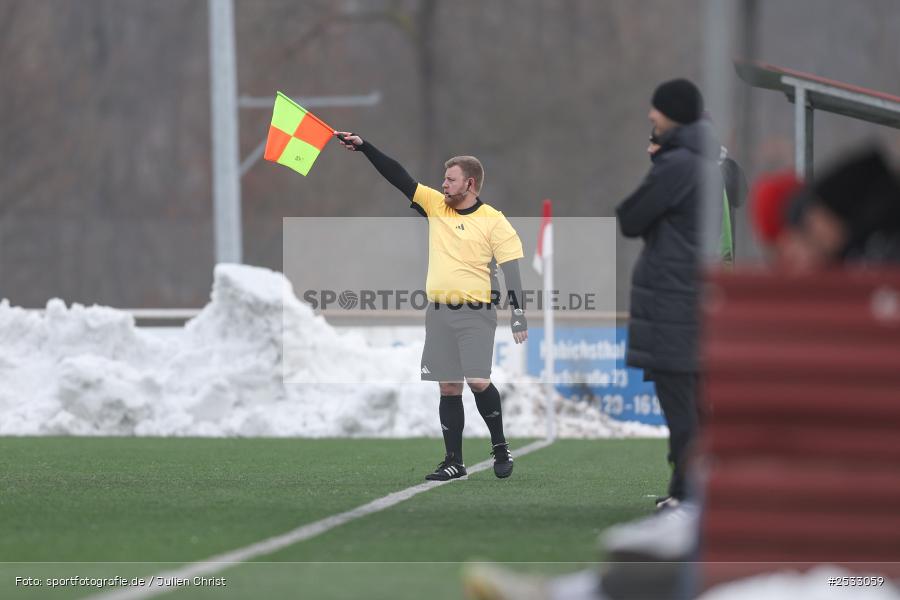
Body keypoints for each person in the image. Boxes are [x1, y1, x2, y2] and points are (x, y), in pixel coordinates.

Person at [334, 131, 528, 481]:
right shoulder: (436, 206)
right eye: (443, 179)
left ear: (469, 183)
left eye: (450, 180)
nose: (443, 185)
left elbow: (512, 270)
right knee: (448, 386)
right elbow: (398, 176)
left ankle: (500, 445)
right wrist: (365, 148)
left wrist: (518, 314)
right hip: (438, 313)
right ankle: (454, 461)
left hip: (476, 313)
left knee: (479, 381)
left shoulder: (495, 221)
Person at [616, 78, 722, 510]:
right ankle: (688, 492)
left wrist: (657, 165)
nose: (650, 117)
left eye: (656, 111)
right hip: (689, 302)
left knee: (682, 411)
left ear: (673, 114)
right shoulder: (709, 161)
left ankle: (691, 498)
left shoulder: (678, 164)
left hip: (673, 304)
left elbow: (631, 217)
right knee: (694, 407)